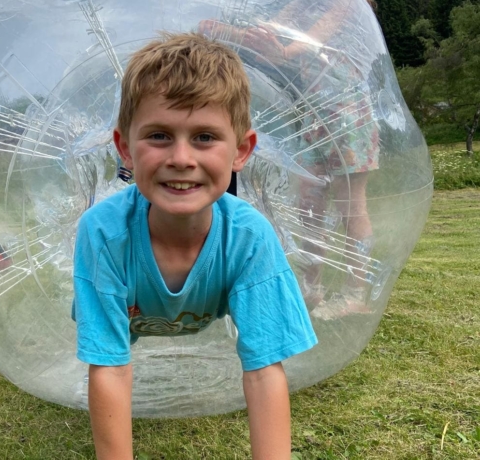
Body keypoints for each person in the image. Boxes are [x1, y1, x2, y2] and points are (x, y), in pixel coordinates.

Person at [72, 33, 317, 460]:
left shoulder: (249, 237)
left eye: (204, 137)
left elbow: (264, 370)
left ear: (241, 151)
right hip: (132, 307)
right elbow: (110, 365)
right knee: (109, 346)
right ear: (124, 149)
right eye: (160, 136)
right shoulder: (102, 234)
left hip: (204, 286)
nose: (182, 158)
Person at [199, 0, 380, 320]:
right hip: (309, 115)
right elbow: (268, 32)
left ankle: (356, 293)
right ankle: (311, 287)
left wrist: (280, 52)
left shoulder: (348, 4)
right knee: (308, 205)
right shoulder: (303, 2)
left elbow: (306, 43)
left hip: (347, 115)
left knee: (350, 205)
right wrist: (222, 31)